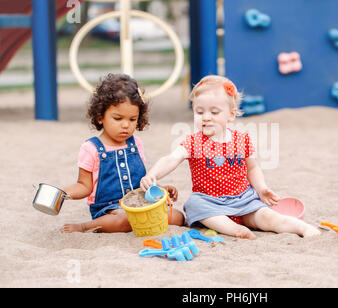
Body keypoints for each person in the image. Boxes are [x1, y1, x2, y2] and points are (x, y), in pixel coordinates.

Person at [140, 75, 320, 239]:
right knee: (194, 204)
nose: (206, 117)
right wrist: (153, 175)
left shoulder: (241, 140)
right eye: (200, 112)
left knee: (269, 218)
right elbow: (171, 158)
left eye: (214, 112)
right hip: (209, 201)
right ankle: (235, 230)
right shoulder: (193, 142)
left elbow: (252, 168)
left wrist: (262, 188)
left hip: (244, 199)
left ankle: (302, 228)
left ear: (231, 114)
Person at [61, 73, 184, 233]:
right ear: (100, 117)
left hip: (138, 202)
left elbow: (139, 179)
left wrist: (159, 189)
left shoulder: (135, 144)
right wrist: (63, 193)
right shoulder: (91, 148)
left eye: (132, 119)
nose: (126, 125)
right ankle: (85, 226)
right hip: (109, 209)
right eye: (118, 119)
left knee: (177, 217)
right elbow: (84, 186)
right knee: (124, 219)